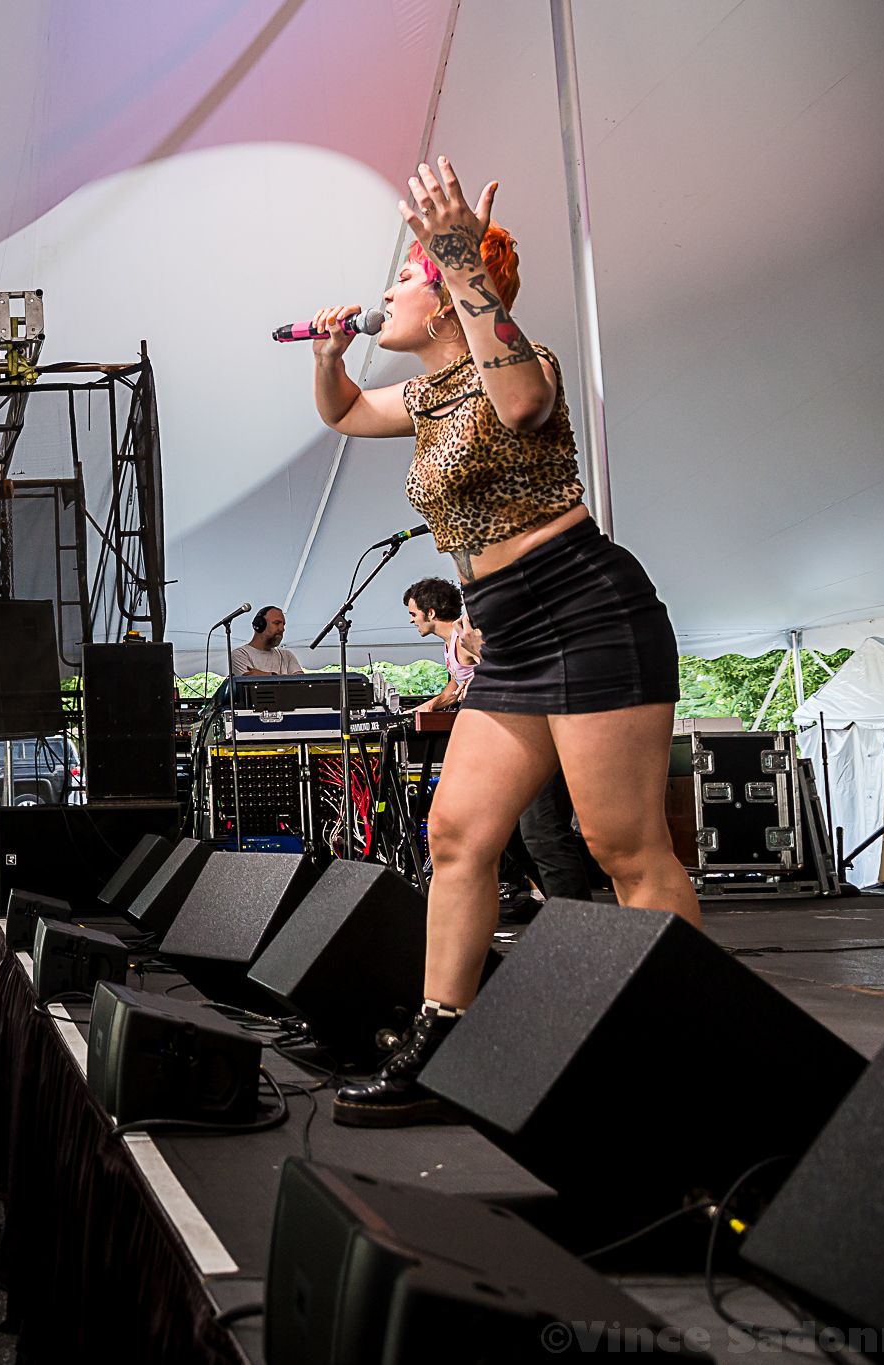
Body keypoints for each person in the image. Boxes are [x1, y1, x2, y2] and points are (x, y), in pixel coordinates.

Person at [307, 157, 698, 1126]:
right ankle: (444, 1046)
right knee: (455, 834)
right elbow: (345, 410)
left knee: (622, 846)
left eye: (407, 275)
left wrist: (456, 256)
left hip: (585, 609)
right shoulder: (426, 397)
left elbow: (521, 404)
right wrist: (327, 355)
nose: (390, 290)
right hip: (512, 633)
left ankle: (689, 1050)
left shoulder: (520, 363)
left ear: (447, 297)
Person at [403, 577, 477, 712]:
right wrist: (429, 706)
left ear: (431, 613)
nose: (411, 620)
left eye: (413, 614)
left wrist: (476, 684)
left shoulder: (464, 639)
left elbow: (500, 669)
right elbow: (457, 682)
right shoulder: (450, 642)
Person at [230, 607, 304, 676]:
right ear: (260, 624)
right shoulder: (240, 654)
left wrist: (266, 675)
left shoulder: (287, 656)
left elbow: (302, 681)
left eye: (283, 624)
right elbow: (252, 682)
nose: (282, 629)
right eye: (277, 623)